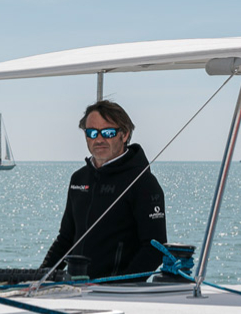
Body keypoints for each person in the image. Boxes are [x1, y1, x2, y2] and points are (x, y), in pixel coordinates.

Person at [41, 100, 167, 280]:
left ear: (124, 135)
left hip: (116, 292)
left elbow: (155, 248)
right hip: (75, 288)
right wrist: (39, 276)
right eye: (92, 133)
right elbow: (65, 239)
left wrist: (120, 286)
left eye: (108, 132)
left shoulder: (143, 182)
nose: (99, 139)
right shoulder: (79, 179)